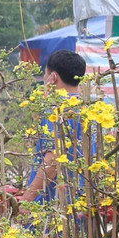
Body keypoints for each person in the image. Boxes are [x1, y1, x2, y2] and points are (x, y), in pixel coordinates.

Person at [18, 49, 88, 203]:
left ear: (53, 77)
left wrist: (28, 198)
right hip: (82, 200)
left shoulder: (56, 111)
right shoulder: (89, 109)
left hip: (56, 203)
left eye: (46, 73)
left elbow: (53, 159)